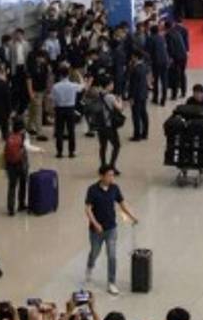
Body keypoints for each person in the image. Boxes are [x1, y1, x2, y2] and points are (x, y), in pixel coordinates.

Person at [85, 164, 138, 296]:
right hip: (96, 231)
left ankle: (111, 282)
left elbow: (122, 204)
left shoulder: (115, 188)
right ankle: (90, 266)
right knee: (95, 252)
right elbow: (88, 209)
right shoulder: (92, 190)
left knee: (112, 256)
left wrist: (132, 216)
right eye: (109, 175)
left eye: (113, 175)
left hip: (111, 229)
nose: (112, 177)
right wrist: (95, 224)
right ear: (101, 176)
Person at [51, 63, 83, 159]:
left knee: (59, 131)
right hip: (70, 108)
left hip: (59, 109)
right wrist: (79, 75)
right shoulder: (73, 85)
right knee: (71, 131)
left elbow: (53, 99)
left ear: (60, 75)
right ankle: (71, 152)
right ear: (68, 74)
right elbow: (82, 86)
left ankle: (59, 152)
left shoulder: (55, 86)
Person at [93, 75, 124, 172]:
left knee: (103, 146)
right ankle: (112, 166)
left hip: (100, 125)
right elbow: (119, 108)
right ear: (108, 85)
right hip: (109, 125)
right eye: (111, 84)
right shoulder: (110, 97)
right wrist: (120, 100)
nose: (113, 85)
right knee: (117, 145)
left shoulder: (98, 94)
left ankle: (102, 165)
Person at [1, 118, 29, 215]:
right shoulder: (23, 136)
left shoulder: (9, 136)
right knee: (22, 183)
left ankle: (11, 208)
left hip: (10, 165)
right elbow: (26, 149)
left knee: (12, 186)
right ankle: (21, 204)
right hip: (21, 164)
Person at [126, 50, 150, 141]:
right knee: (143, 113)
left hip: (136, 95)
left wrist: (131, 97)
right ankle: (145, 133)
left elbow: (133, 85)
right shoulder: (144, 66)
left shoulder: (135, 69)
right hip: (143, 94)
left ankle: (137, 135)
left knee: (136, 115)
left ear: (136, 57)